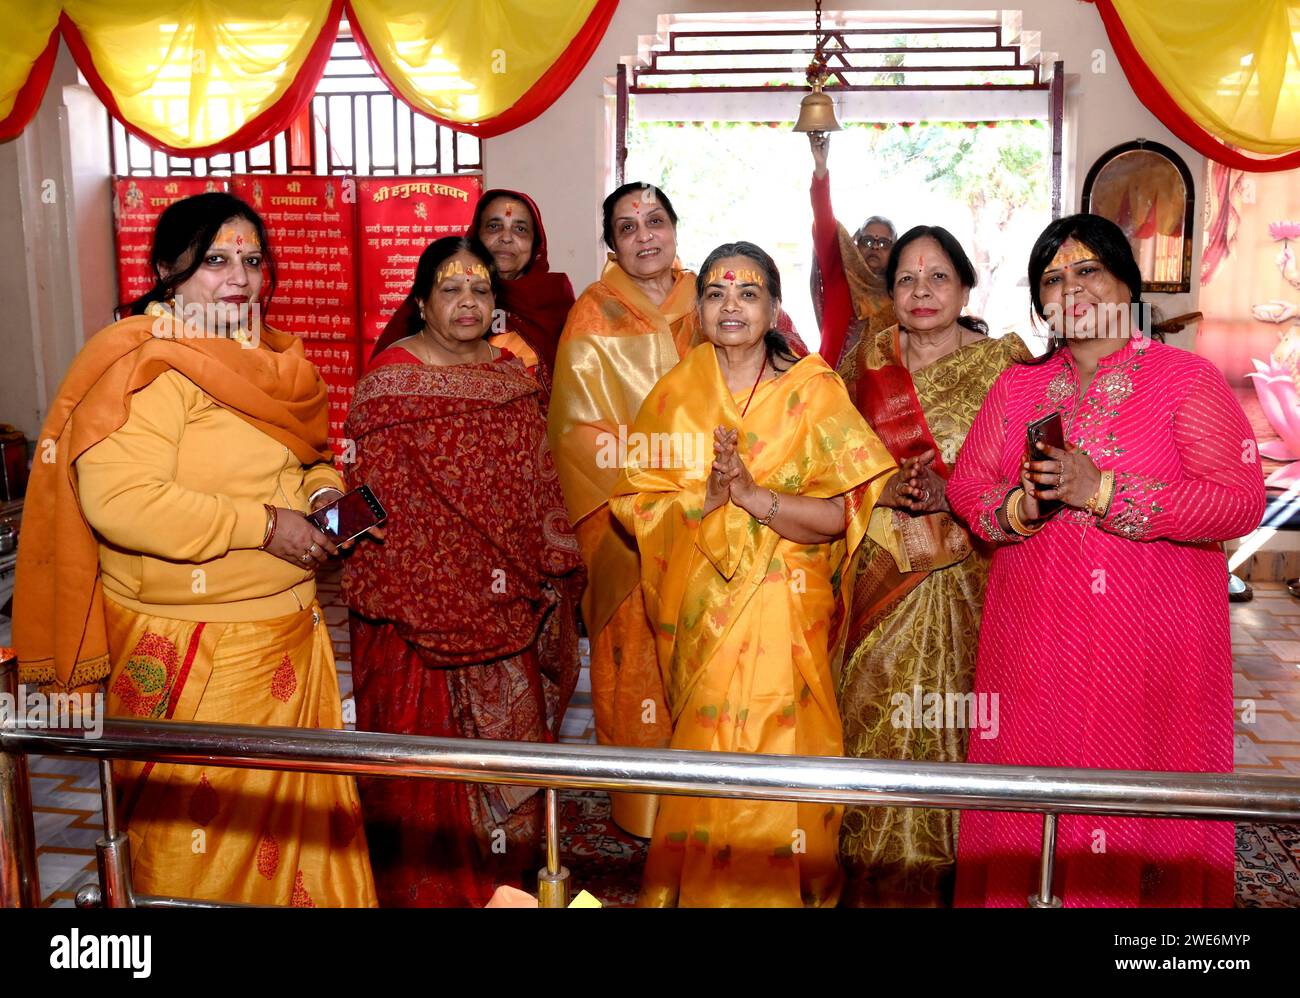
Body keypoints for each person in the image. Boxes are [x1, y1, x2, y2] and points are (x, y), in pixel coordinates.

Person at [13, 192, 377, 906]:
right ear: (166, 271)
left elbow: (307, 457)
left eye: (251, 260)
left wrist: (321, 496)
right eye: (214, 261)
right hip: (194, 649)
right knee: (197, 847)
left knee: (301, 834)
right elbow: (121, 503)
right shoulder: (145, 367)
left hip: (287, 640)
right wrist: (266, 526)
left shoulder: (270, 359)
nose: (239, 277)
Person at [947, 213, 1265, 907]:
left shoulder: (1186, 380)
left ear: (1128, 281)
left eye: (1087, 270)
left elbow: (1239, 502)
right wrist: (1016, 511)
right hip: (1032, 642)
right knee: (1030, 795)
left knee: (1134, 800)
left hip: (1152, 646)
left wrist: (1107, 490)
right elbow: (967, 486)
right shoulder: (1017, 389)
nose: (1070, 288)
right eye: (1053, 279)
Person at [610, 241, 901, 906]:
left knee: (785, 755)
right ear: (701, 311)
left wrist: (753, 498)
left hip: (787, 611)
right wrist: (710, 498)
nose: (730, 304)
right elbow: (637, 505)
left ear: (773, 308)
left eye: (747, 292)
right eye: (715, 292)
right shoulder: (676, 395)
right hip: (703, 613)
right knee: (710, 758)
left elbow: (840, 514)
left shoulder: (814, 391)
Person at [344, 236, 584, 907]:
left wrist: (554, 559)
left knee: (514, 782)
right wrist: (331, 533)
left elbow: (539, 482)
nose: (468, 301)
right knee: (427, 784)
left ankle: (506, 893)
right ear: (422, 303)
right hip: (413, 617)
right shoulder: (389, 382)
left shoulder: (513, 378)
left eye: (480, 289)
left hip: (509, 606)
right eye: (451, 289)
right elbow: (362, 497)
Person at [834, 225, 1031, 907]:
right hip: (878, 568)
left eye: (938, 277)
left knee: (959, 728)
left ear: (966, 288)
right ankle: (870, 879)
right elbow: (826, 460)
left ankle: (956, 882)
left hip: (972, 575)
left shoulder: (1007, 364)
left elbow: (1031, 474)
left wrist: (968, 495)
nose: (922, 292)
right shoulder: (863, 361)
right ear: (888, 294)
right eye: (907, 280)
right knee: (872, 716)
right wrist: (877, 488)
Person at [547, 181, 699, 837]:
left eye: (655, 221)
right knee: (636, 661)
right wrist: (662, 492)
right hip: (630, 526)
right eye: (628, 227)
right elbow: (577, 433)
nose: (645, 236)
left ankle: (707, 805)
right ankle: (643, 815)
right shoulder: (593, 316)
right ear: (611, 244)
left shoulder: (714, 300)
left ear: (674, 230)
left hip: (717, 521)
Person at [371, 189, 576, 389]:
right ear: (476, 234)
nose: (506, 238)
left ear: (536, 243)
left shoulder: (553, 298)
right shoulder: (432, 294)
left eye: (520, 229)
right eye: (494, 226)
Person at [808, 132, 898, 367]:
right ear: (855, 243)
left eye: (883, 243)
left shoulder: (900, 293)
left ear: (895, 250)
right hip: (830, 387)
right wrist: (820, 168)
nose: (874, 248)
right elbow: (825, 220)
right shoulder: (838, 275)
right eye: (868, 241)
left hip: (880, 397)